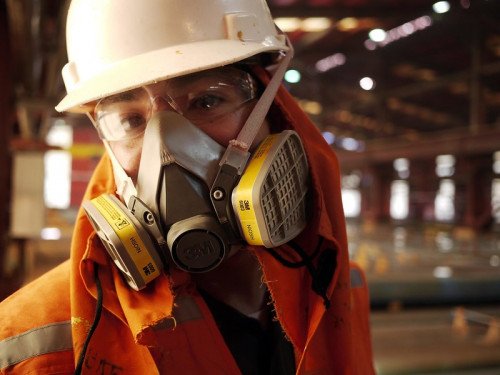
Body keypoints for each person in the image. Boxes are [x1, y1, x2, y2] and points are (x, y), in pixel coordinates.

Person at [0, 0, 376, 374]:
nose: (164, 147)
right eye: (131, 121)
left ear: (272, 107)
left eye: (207, 100)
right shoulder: (26, 345)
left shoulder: (342, 288)